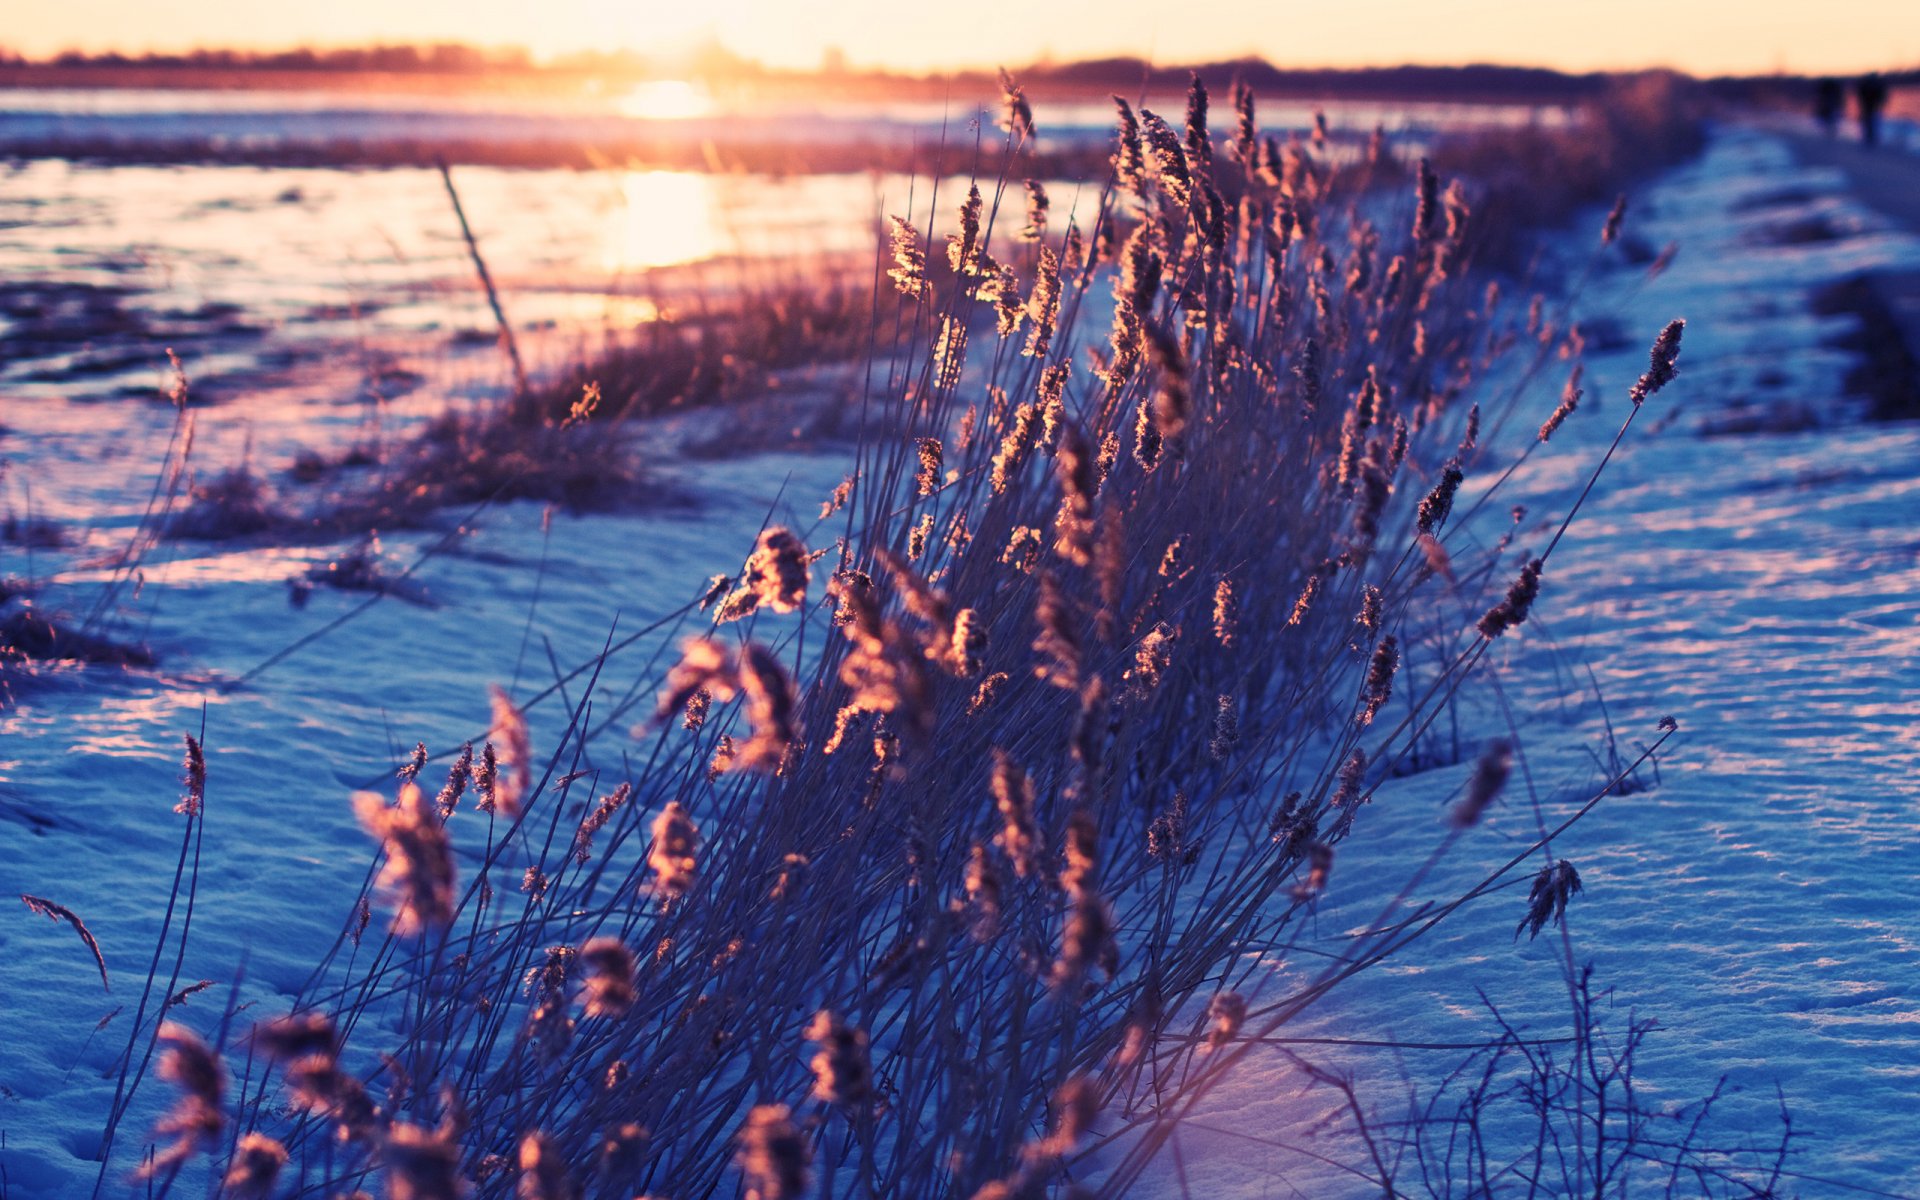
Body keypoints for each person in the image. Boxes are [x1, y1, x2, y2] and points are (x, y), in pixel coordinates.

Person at [1858, 74, 1889, 147]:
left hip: (1870, 106)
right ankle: (1870, 137)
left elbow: (1861, 95)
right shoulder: (1875, 85)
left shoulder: (1866, 85)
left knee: (1870, 121)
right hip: (1872, 106)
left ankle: (1870, 137)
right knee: (1872, 121)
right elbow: (1882, 95)